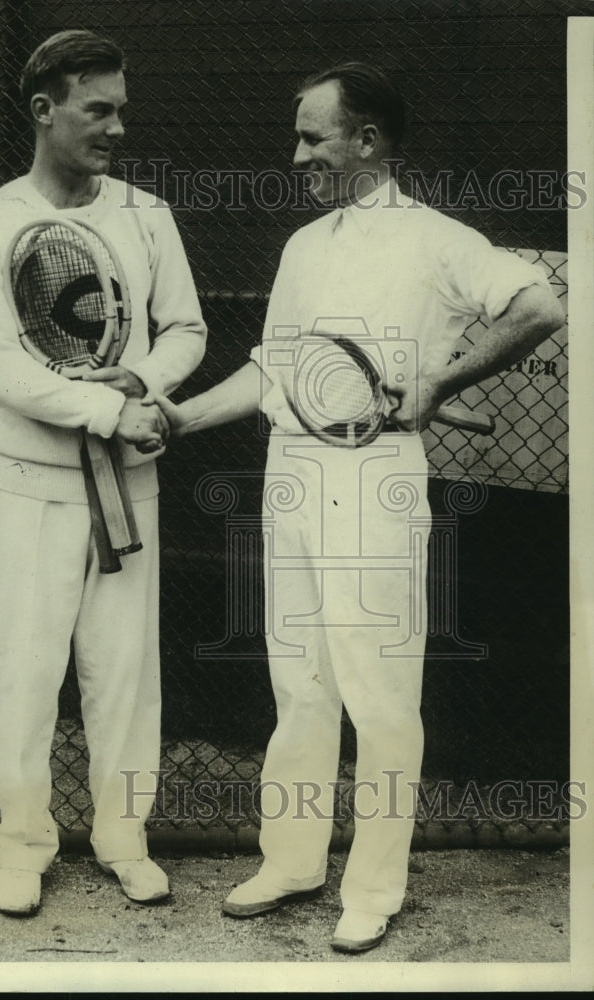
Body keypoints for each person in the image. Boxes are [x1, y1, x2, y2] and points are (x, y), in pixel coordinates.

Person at [156, 63, 564, 953]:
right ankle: (291, 862)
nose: (296, 155)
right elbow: (271, 368)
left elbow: (539, 306)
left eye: (312, 137)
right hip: (291, 474)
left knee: (378, 699)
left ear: (368, 141)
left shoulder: (437, 239)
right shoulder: (304, 245)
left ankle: (374, 888)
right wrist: (180, 418)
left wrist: (439, 380)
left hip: (376, 478)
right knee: (298, 685)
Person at [0, 29, 206, 916]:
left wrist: (140, 383)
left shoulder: (147, 215)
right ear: (43, 110)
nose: (117, 128)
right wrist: (104, 409)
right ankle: (22, 847)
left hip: (130, 480)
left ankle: (122, 839)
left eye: (122, 110)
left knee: (125, 675)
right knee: (28, 675)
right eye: (98, 110)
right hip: (29, 486)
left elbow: (186, 330)